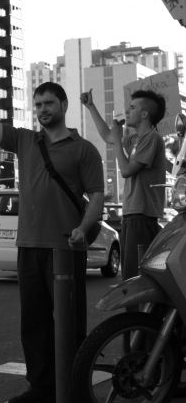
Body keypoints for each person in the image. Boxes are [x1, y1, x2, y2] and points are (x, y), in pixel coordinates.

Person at [0, 61, 104, 403]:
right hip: (28, 245)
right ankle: (40, 387)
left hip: (66, 248)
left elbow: (98, 198)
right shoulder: (26, 140)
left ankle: (73, 389)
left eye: (49, 104)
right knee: (35, 323)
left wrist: (83, 230)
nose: (43, 110)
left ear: (63, 106)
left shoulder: (83, 149)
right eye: (38, 104)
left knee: (69, 323)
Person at [81, 87, 166, 280]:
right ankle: (134, 310)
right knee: (130, 273)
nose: (127, 111)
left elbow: (127, 170)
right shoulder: (137, 139)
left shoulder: (152, 138)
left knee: (134, 276)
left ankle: (136, 311)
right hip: (132, 214)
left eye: (133, 107)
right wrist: (91, 106)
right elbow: (108, 136)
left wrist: (118, 139)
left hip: (141, 215)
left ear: (145, 114)